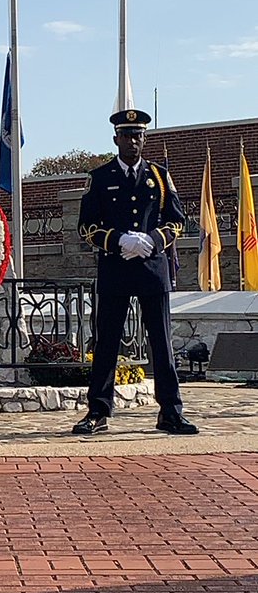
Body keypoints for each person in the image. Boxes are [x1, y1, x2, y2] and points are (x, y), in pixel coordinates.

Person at [73, 108, 198, 438]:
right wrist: (118, 240)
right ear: (116, 139)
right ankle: (98, 411)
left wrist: (154, 240)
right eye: (127, 135)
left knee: (161, 342)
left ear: (145, 139)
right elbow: (86, 226)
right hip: (115, 268)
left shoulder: (158, 176)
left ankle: (171, 411)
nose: (133, 141)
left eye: (138, 135)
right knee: (106, 343)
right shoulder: (99, 178)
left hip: (151, 269)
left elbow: (177, 220)